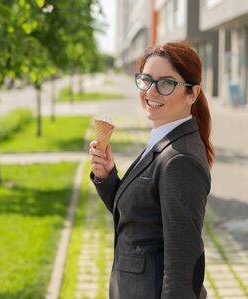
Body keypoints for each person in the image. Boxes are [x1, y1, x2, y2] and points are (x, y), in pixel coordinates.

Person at [89, 42, 214, 299]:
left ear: (192, 93)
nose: (151, 92)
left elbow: (183, 262)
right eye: (146, 80)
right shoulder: (163, 138)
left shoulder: (180, 159)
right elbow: (141, 220)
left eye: (166, 83)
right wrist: (107, 177)